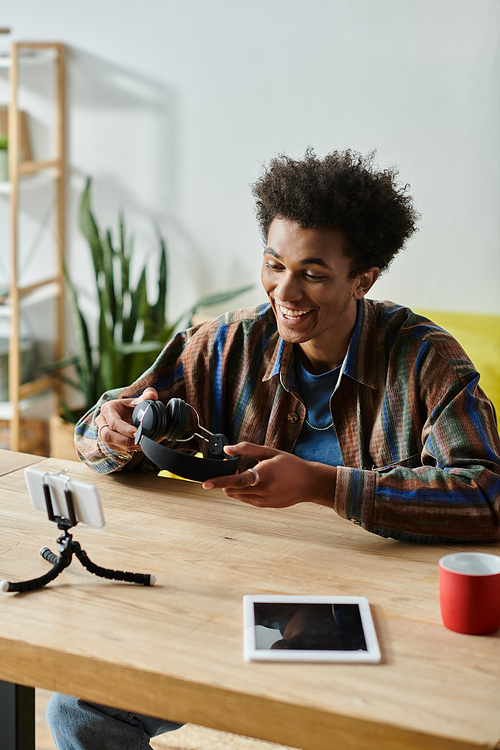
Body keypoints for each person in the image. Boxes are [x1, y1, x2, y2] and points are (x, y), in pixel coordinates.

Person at [47, 149, 500, 750]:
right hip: (236, 594)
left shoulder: (424, 360)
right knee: (79, 710)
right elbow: (97, 427)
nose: (284, 289)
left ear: (363, 279)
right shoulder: (229, 343)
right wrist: (112, 431)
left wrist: (322, 484)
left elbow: (486, 492)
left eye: (312, 273)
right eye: (273, 263)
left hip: (382, 619)